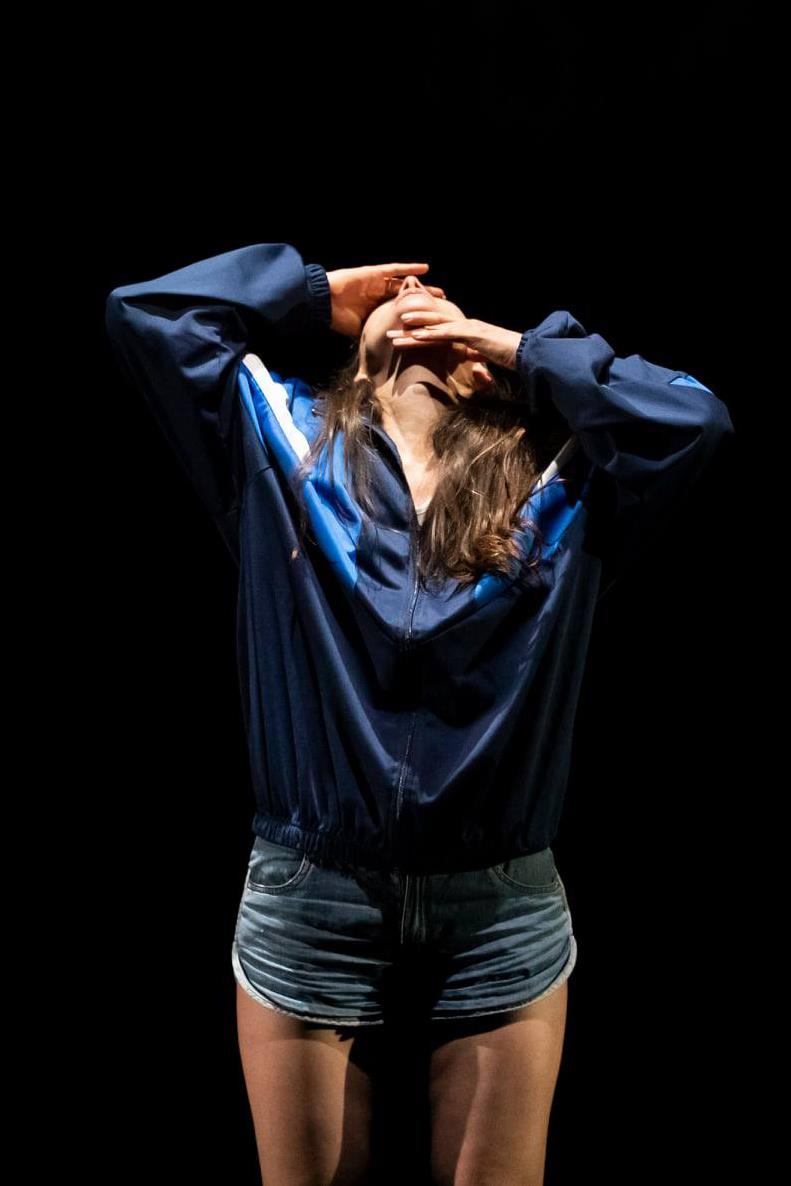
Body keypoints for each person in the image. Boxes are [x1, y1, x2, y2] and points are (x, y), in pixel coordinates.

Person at [105, 243, 734, 1186]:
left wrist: (521, 348)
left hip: (498, 902)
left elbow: (694, 417)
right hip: (312, 891)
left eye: (440, 301)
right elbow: (147, 312)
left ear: (483, 370)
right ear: (356, 361)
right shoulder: (280, 446)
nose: (413, 295)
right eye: (398, 300)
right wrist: (317, 295)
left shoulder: (561, 485)